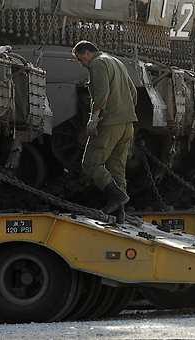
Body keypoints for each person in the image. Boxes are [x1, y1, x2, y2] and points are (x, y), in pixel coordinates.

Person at [72, 40, 138, 222]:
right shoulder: (116, 62)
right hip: (127, 123)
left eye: (80, 58)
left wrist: (94, 118)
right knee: (117, 168)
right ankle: (120, 213)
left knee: (91, 163)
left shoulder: (98, 64)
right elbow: (133, 92)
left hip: (110, 123)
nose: (81, 63)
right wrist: (126, 112)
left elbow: (101, 93)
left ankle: (118, 197)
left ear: (86, 53)